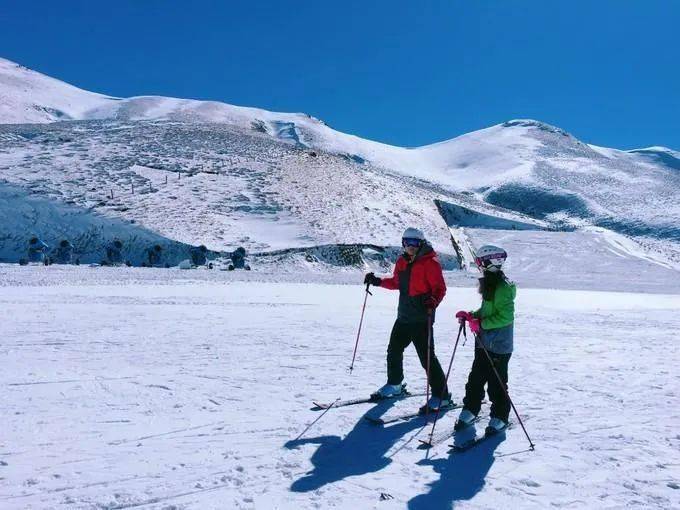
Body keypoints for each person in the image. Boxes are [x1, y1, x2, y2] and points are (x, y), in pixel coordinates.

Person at [364, 227, 450, 412]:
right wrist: (378, 281)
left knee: (427, 358)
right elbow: (397, 283)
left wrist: (433, 300)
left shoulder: (430, 263)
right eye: (407, 243)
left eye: (415, 243)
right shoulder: (402, 262)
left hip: (421, 318)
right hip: (403, 316)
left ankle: (441, 395)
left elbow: (440, 289)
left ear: (421, 244)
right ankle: (395, 384)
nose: (411, 246)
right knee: (393, 350)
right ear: (403, 243)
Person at [455, 245, 516, 435]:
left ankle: (500, 416)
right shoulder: (490, 283)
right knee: (476, 378)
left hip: (499, 345)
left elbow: (506, 317)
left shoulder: (503, 287)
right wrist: (471, 315)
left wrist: (480, 325)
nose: (479, 266)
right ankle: (471, 409)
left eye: (480, 263)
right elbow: (487, 311)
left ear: (490, 263)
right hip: (484, 342)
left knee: (497, 382)